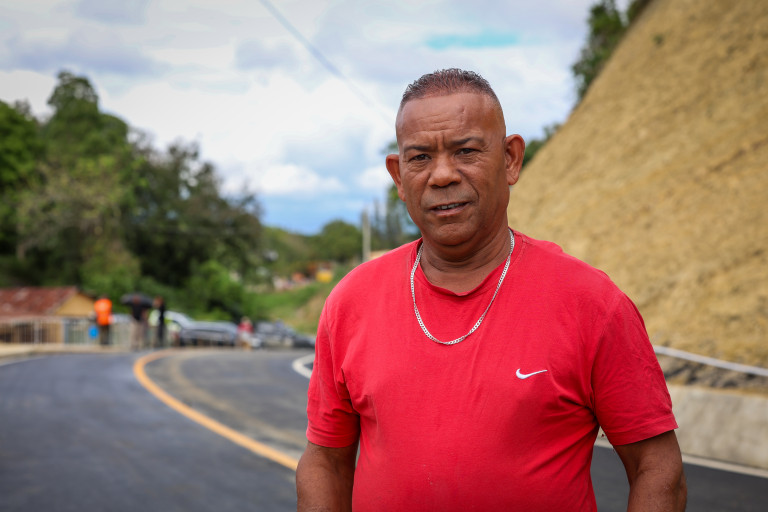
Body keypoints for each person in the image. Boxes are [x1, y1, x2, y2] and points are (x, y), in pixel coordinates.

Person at [296, 69, 687, 511]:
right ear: (399, 176)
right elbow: (325, 463)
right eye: (420, 157)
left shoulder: (591, 304)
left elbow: (658, 469)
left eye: (466, 151)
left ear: (511, 159)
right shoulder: (351, 302)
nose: (442, 175)